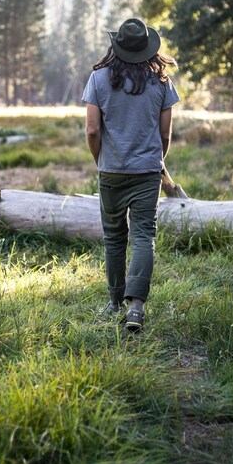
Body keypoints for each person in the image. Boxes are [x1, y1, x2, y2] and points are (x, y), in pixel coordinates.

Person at [82, 18, 179, 332]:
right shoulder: (162, 83)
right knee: (142, 237)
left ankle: (113, 302)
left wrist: (102, 160)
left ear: (117, 46)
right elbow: (165, 135)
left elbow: (92, 130)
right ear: (148, 49)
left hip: (111, 170)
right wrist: (155, 162)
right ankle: (135, 307)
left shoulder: (98, 79)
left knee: (113, 238)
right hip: (147, 171)